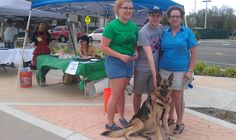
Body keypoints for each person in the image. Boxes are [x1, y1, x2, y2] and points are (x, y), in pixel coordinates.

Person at [100, 0, 138, 131]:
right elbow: (103, 47)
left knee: (121, 92)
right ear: (118, 9)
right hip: (115, 62)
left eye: (131, 8)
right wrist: (121, 56)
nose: (128, 11)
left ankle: (121, 117)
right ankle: (109, 122)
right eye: (125, 8)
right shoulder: (112, 26)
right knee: (116, 94)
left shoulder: (133, 26)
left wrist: (136, 52)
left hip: (128, 62)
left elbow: (134, 44)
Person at [159, 6, 197, 134]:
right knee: (167, 95)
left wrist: (190, 70)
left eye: (177, 16)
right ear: (169, 19)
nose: (175, 18)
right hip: (164, 69)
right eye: (172, 16)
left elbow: (194, 53)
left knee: (177, 96)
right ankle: (170, 117)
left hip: (180, 70)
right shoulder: (164, 32)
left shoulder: (188, 32)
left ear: (181, 18)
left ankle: (179, 122)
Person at [133, 6, 164, 113]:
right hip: (142, 68)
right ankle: (137, 116)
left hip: (154, 68)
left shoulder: (161, 28)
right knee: (138, 93)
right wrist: (155, 76)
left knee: (152, 94)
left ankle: (148, 115)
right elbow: (149, 55)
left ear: (161, 17)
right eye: (153, 16)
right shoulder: (143, 32)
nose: (155, 18)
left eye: (157, 16)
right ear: (148, 16)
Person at [30, 21, 52, 86]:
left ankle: (40, 77)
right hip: (38, 51)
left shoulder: (47, 33)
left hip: (46, 50)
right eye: (41, 25)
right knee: (40, 66)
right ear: (38, 25)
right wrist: (26, 32)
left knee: (48, 66)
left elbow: (50, 42)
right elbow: (30, 41)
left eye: (44, 25)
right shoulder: (34, 33)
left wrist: (52, 48)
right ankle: (42, 79)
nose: (42, 26)